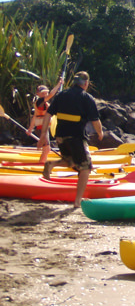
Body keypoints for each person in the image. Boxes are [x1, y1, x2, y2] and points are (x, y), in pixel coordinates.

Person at [38, 72, 104, 208]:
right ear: (86, 83)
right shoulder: (87, 98)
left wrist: (44, 134)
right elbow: (95, 120)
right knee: (85, 168)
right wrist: (100, 132)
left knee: (71, 161)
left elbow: (48, 114)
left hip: (60, 136)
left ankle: (51, 165)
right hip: (76, 137)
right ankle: (77, 201)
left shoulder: (62, 95)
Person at [26, 78, 63, 163]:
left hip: (43, 127)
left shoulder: (45, 104)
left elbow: (34, 116)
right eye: (42, 93)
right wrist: (59, 84)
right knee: (46, 149)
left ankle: (42, 163)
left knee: (47, 148)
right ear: (38, 94)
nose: (45, 94)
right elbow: (51, 94)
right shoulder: (39, 102)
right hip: (41, 128)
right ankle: (41, 164)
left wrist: (30, 128)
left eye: (45, 92)